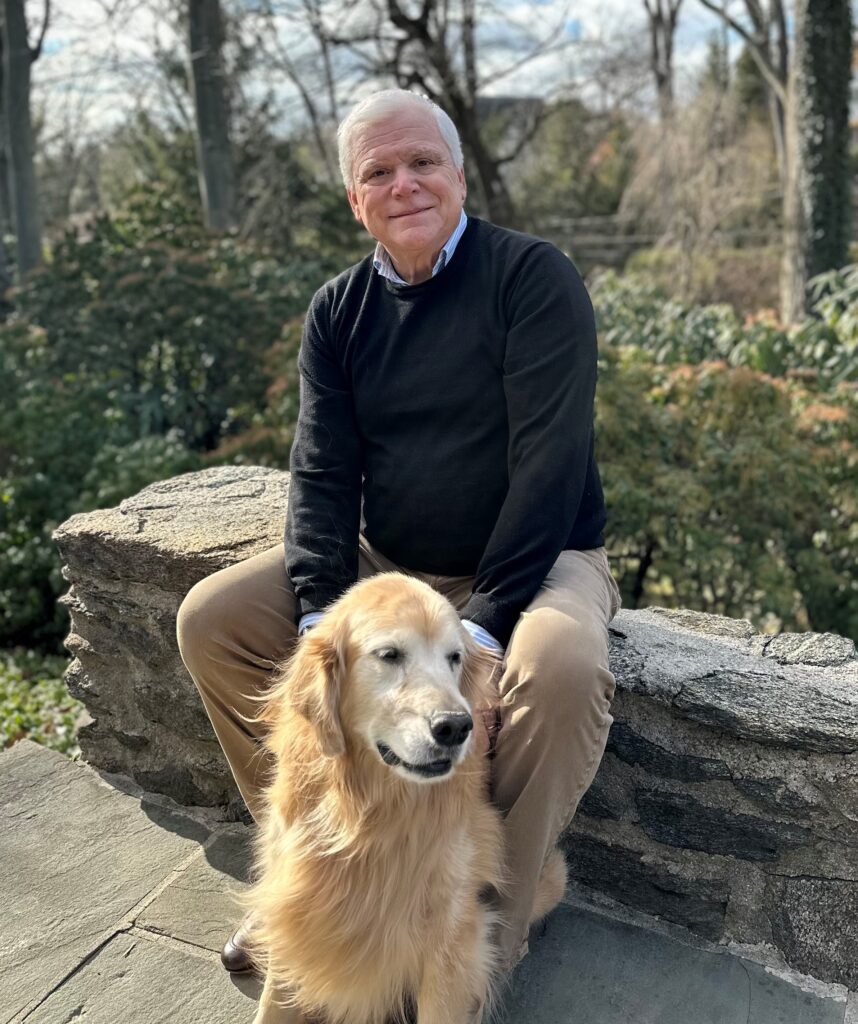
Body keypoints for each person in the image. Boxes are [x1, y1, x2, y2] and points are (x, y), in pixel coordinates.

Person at [176, 87, 621, 990]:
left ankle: (471, 926)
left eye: (423, 162)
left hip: (542, 560)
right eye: (378, 170)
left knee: (562, 671)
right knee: (212, 622)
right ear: (355, 198)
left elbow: (551, 466)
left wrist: (488, 623)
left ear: (458, 173)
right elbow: (324, 474)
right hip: (391, 566)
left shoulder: (533, 279)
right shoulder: (338, 312)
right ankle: (325, 881)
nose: (404, 182)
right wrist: (313, 612)